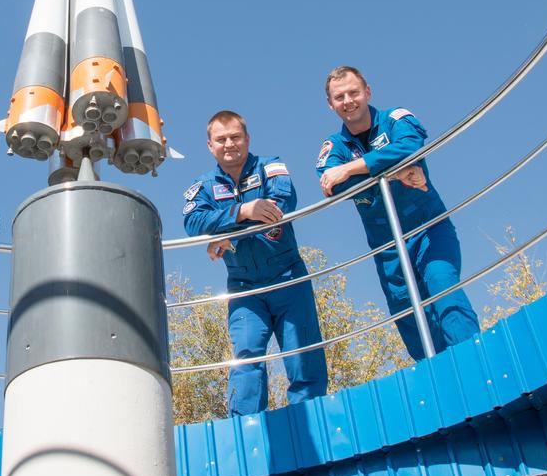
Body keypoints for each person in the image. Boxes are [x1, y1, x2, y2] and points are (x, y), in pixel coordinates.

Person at [316, 65, 479, 360]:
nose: (348, 101)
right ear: (331, 104)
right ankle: (438, 378)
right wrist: (396, 174)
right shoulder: (334, 146)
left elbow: (410, 145)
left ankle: (473, 363)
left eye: (354, 92)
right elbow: (331, 185)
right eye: (339, 97)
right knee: (407, 313)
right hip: (387, 246)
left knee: (442, 286)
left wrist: (352, 169)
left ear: (368, 92)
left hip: (428, 229)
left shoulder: (394, 118)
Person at [182, 110, 328, 415]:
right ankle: (245, 430)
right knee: (246, 356)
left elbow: (279, 207)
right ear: (210, 146)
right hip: (244, 286)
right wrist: (244, 211)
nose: (229, 144)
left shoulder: (270, 166)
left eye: (235, 137)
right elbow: (194, 223)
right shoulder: (203, 185)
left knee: (302, 354)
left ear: (247, 139)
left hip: (288, 277)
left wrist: (228, 236)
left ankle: (311, 421)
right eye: (221, 139)